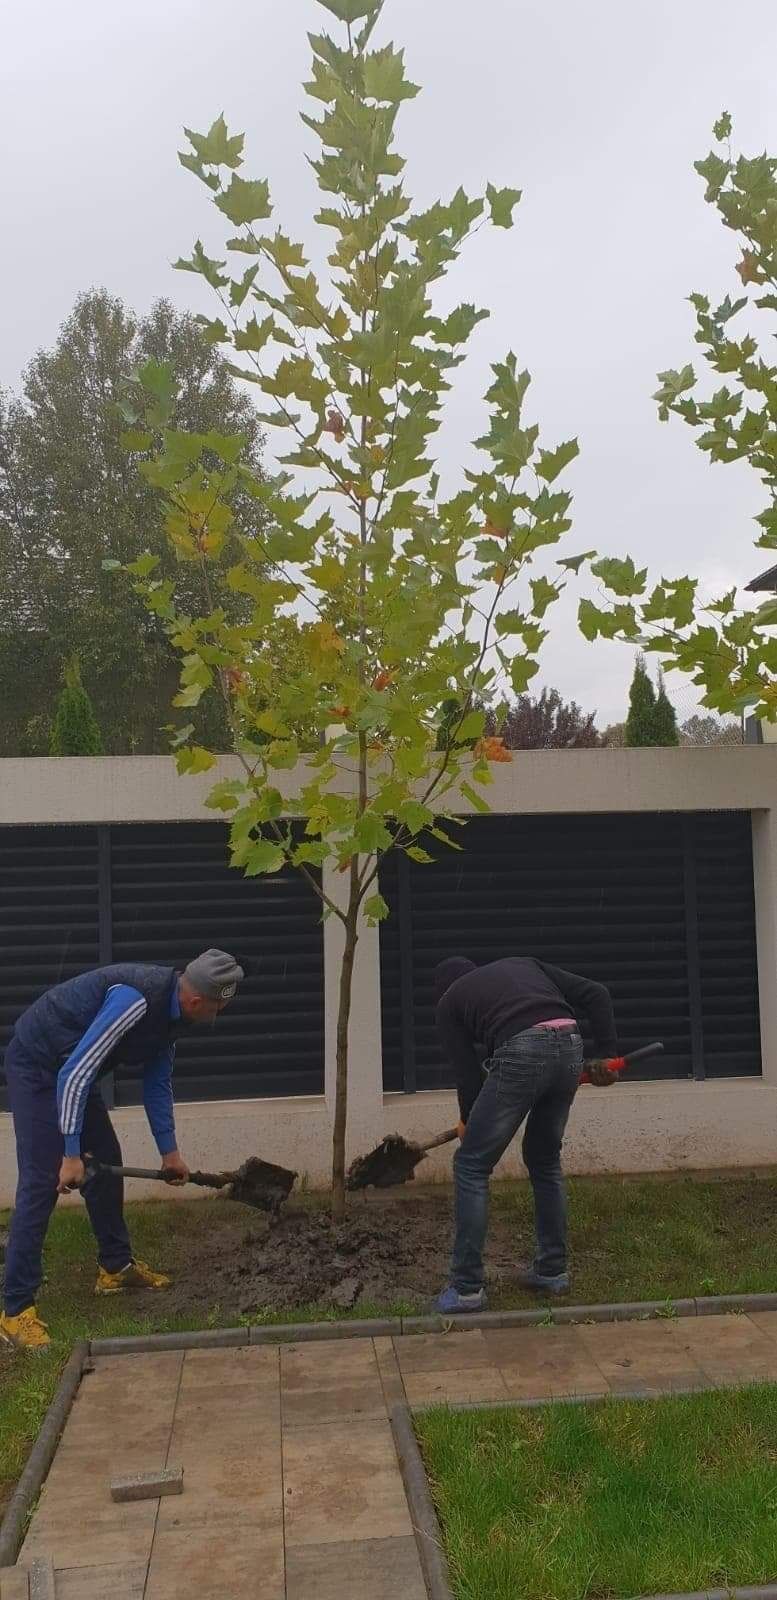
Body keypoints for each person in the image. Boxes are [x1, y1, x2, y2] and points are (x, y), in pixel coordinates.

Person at [0, 948, 244, 1351]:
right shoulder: (135, 999)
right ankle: (14, 1312)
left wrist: (170, 1152)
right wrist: (72, 1154)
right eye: (217, 1008)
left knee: (107, 1159)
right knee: (43, 1181)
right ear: (198, 1000)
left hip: (70, 1069)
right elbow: (74, 1074)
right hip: (39, 1067)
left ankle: (114, 1267)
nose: (216, 1017)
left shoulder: (172, 1017)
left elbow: (157, 1083)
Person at [433, 955, 618, 1315]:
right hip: (569, 1043)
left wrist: (468, 1122)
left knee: (471, 1166)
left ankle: (467, 1288)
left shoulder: (448, 1003)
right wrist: (608, 1054)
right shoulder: (522, 967)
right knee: (544, 1159)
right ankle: (552, 1271)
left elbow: (468, 1074)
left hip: (522, 1048)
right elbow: (597, 993)